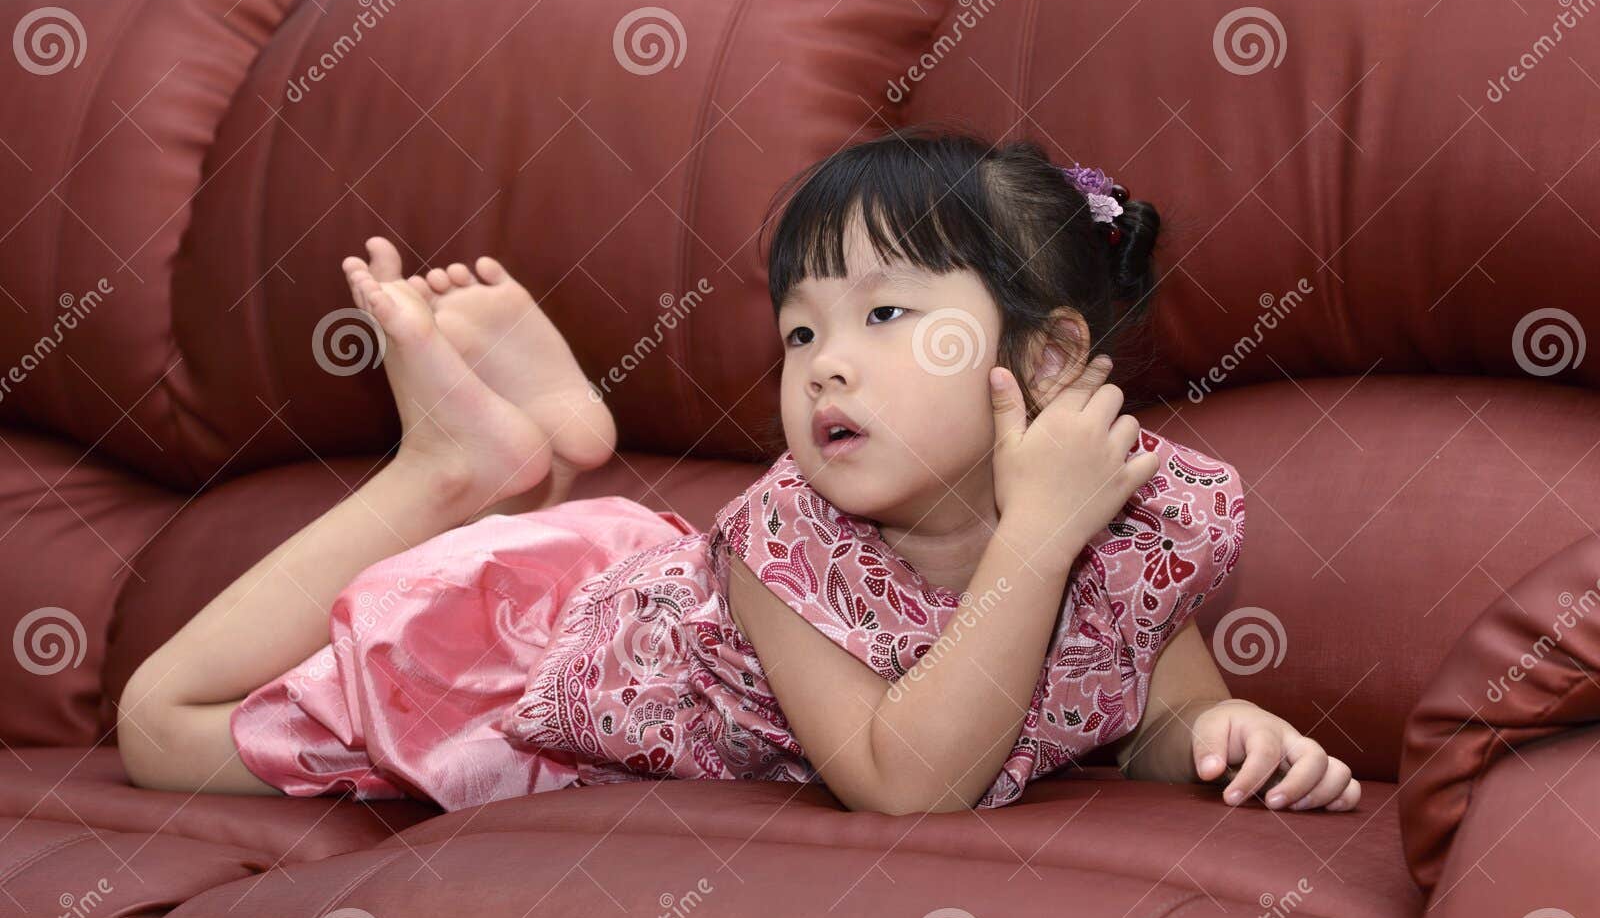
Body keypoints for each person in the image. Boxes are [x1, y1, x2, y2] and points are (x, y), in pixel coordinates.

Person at [117, 124, 1359, 816]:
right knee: (158, 728)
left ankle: (528, 454)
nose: (822, 366)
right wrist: (1033, 541)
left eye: (882, 318)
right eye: (802, 330)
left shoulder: (1137, 514)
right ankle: (444, 467)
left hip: (649, 581)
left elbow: (1157, 707)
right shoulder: (786, 540)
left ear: (1045, 358)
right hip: (541, 659)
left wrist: (1223, 729)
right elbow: (905, 784)